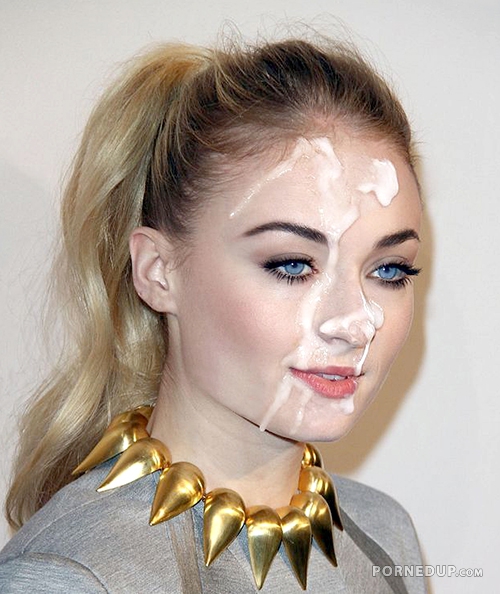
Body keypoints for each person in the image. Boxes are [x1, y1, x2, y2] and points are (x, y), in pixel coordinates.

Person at [0, 35, 426, 593]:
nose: (355, 323)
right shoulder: (71, 576)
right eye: (293, 265)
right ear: (158, 272)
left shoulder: (386, 537)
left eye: (389, 270)